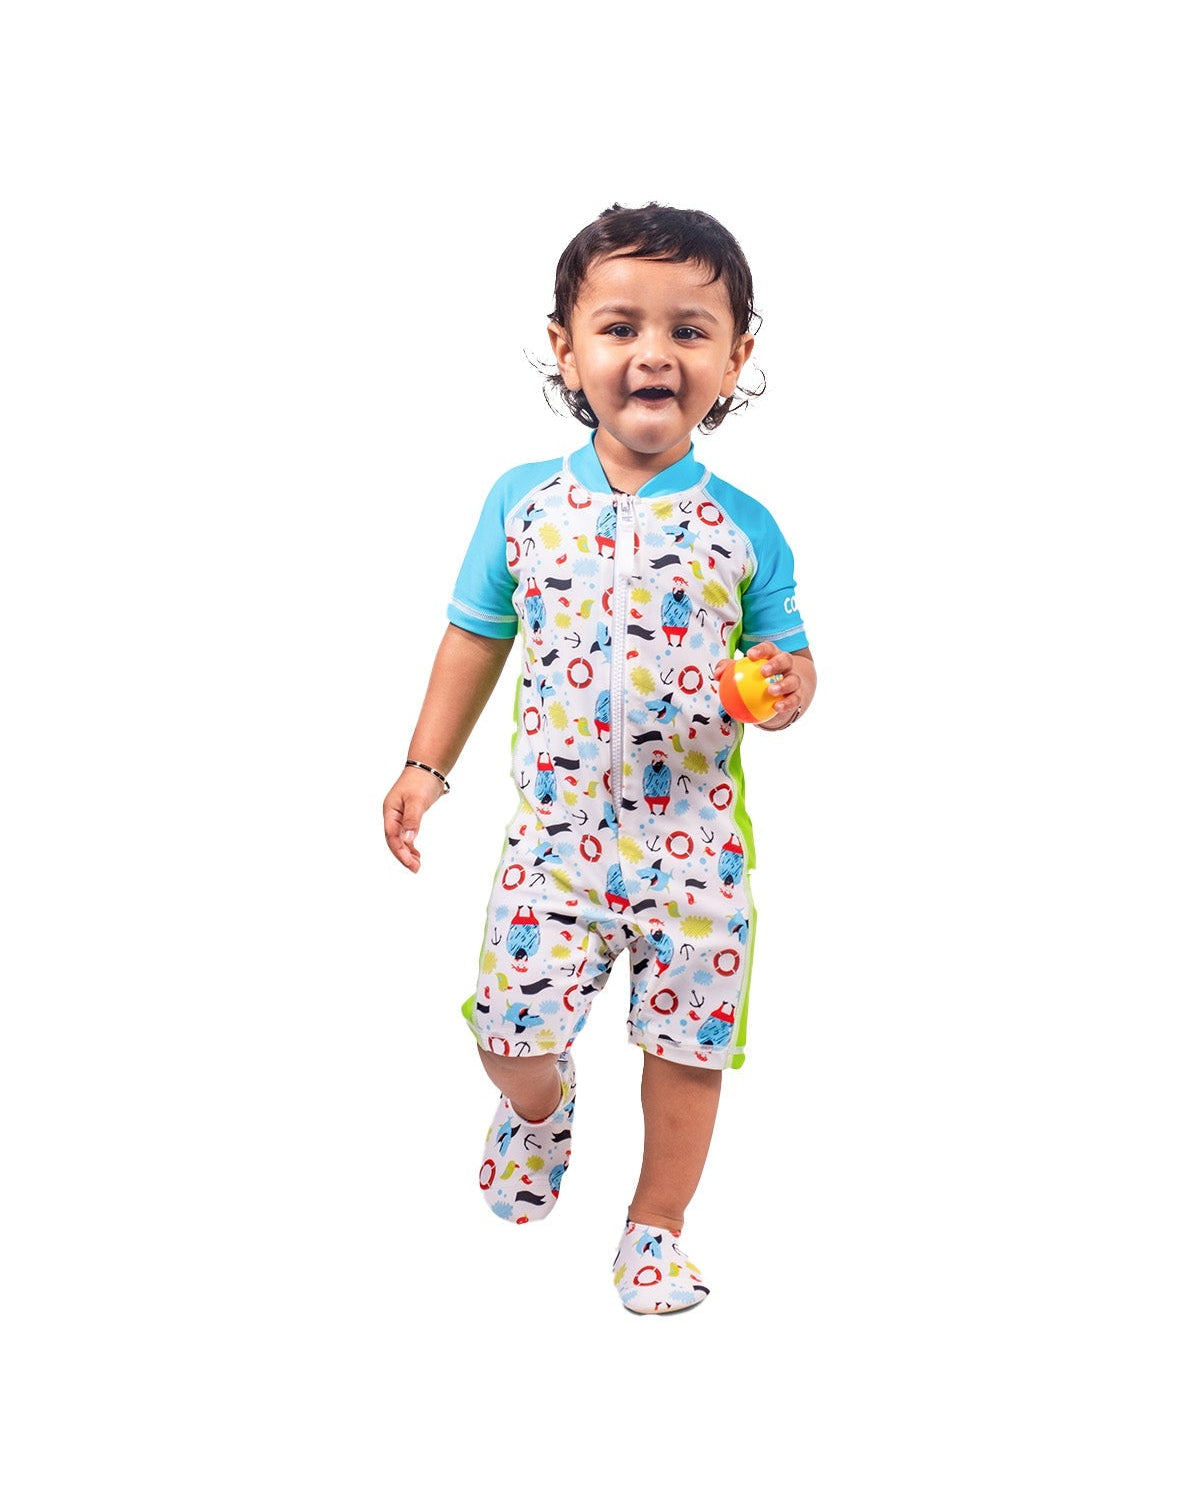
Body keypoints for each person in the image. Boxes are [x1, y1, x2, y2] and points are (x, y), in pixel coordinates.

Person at [383, 204, 816, 1314]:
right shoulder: (524, 502)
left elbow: (790, 663)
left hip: (695, 850)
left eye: (690, 330)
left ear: (735, 359)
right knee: (507, 1034)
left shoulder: (746, 527)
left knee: (689, 1050)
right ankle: (538, 1110)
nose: (654, 353)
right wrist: (425, 768)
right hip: (556, 844)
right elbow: (473, 639)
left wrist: (785, 688)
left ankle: (655, 1227)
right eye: (621, 327)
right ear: (566, 348)